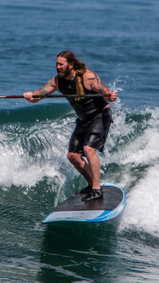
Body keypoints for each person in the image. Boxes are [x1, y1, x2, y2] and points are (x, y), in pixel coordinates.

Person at [23, 51, 117, 201]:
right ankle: (92, 184)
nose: (58, 67)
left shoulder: (87, 76)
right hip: (84, 119)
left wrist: (110, 96)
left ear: (71, 65)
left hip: (100, 115)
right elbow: (38, 96)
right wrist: (30, 96)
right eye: (56, 64)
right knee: (73, 156)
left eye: (61, 64)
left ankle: (97, 190)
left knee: (88, 148)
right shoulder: (57, 82)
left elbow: (104, 92)